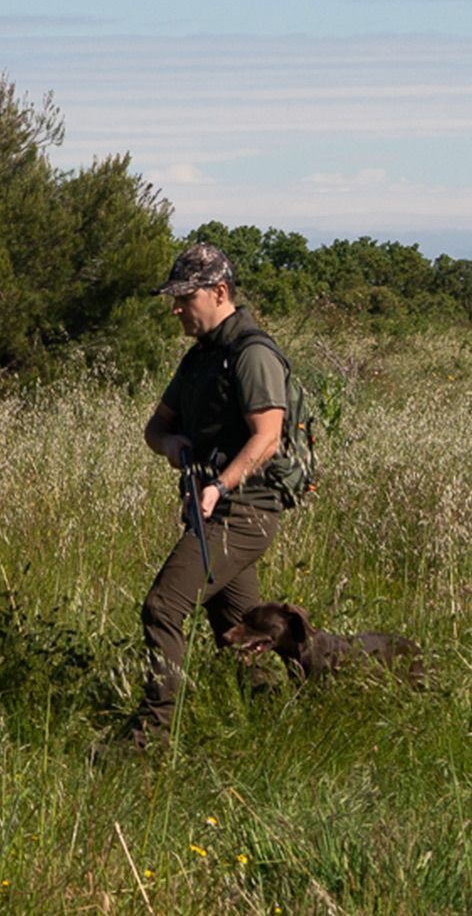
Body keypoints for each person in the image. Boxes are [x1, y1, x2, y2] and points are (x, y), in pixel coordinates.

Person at [130, 242, 289, 750]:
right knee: (238, 630)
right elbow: (156, 427)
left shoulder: (252, 353)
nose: (176, 309)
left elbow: (267, 437)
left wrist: (220, 486)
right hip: (214, 509)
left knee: (162, 607)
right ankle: (274, 724)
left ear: (219, 292)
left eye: (185, 298)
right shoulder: (200, 358)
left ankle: (152, 736)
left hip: (243, 512)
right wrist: (172, 445)